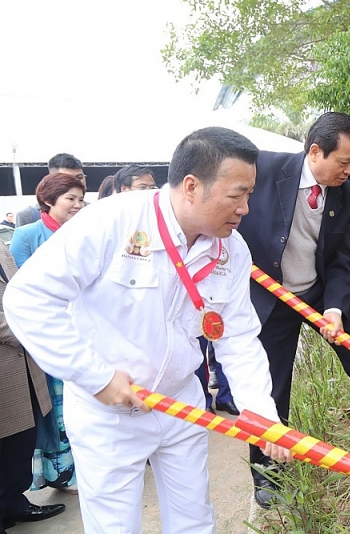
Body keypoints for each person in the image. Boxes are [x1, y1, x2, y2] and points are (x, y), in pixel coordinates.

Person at [3, 127, 292, 533]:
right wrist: (95, 376)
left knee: (194, 520)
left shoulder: (231, 249)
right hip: (109, 411)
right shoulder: (112, 221)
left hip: (181, 404)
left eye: (249, 194)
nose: (246, 207)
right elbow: (27, 299)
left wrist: (260, 411)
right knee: (116, 526)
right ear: (192, 186)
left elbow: (237, 337)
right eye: (237, 194)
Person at [237, 112, 350, 508]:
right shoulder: (263, 169)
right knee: (269, 382)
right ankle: (268, 476)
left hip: (318, 292)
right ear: (316, 151)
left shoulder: (347, 194)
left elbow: (341, 259)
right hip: (269, 295)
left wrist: (335, 308)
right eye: (344, 162)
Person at [9, 172, 85, 495]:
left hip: (83, 330)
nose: (77, 205)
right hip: (49, 333)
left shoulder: (86, 232)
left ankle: (83, 466)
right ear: (48, 200)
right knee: (54, 409)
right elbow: (22, 288)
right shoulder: (26, 236)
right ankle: (60, 472)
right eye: (70, 199)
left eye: (81, 199)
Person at [0, 240, 66, 533]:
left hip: (23, 365)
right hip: (10, 353)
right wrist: (31, 329)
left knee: (22, 441)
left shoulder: (2, 246)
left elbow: (19, 295)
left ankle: (13, 503)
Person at [15, 154, 86, 228]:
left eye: (79, 177)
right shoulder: (29, 216)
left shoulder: (93, 211)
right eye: (67, 178)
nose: (76, 182)